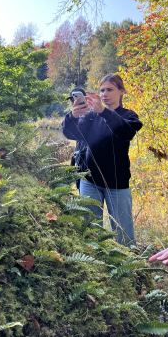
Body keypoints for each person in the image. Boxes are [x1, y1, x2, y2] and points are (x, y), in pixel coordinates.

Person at [62, 74, 142, 246]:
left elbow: (126, 132)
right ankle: (96, 264)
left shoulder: (128, 115)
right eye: (102, 90)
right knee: (90, 231)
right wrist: (73, 117)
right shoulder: (91, 116)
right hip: (90, 182)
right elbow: (71, 134)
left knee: (124, 235)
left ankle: (130, 268)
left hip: (117, 185)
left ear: (121, 91)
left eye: (110, 89)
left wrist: (104, 112)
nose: (105, 94)